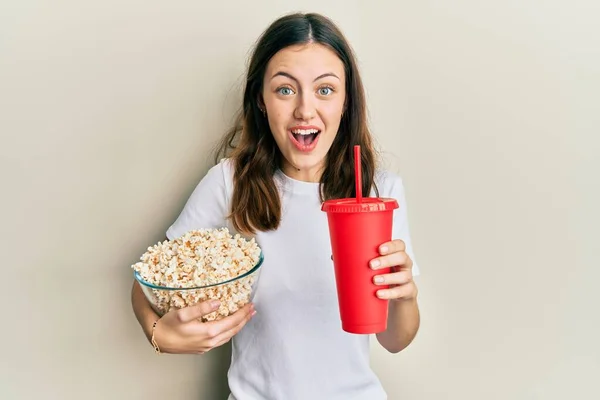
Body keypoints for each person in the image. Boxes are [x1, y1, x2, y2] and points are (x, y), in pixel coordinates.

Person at [131, 12, 420, 400]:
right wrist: (158, 334)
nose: (304, 109)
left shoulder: (378, 191)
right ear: (261, 101)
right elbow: (148, 280)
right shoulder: (229, 183)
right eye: (285, 90)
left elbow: (395, 340)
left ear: (345, 101)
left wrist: (406, 296)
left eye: (325, 90)